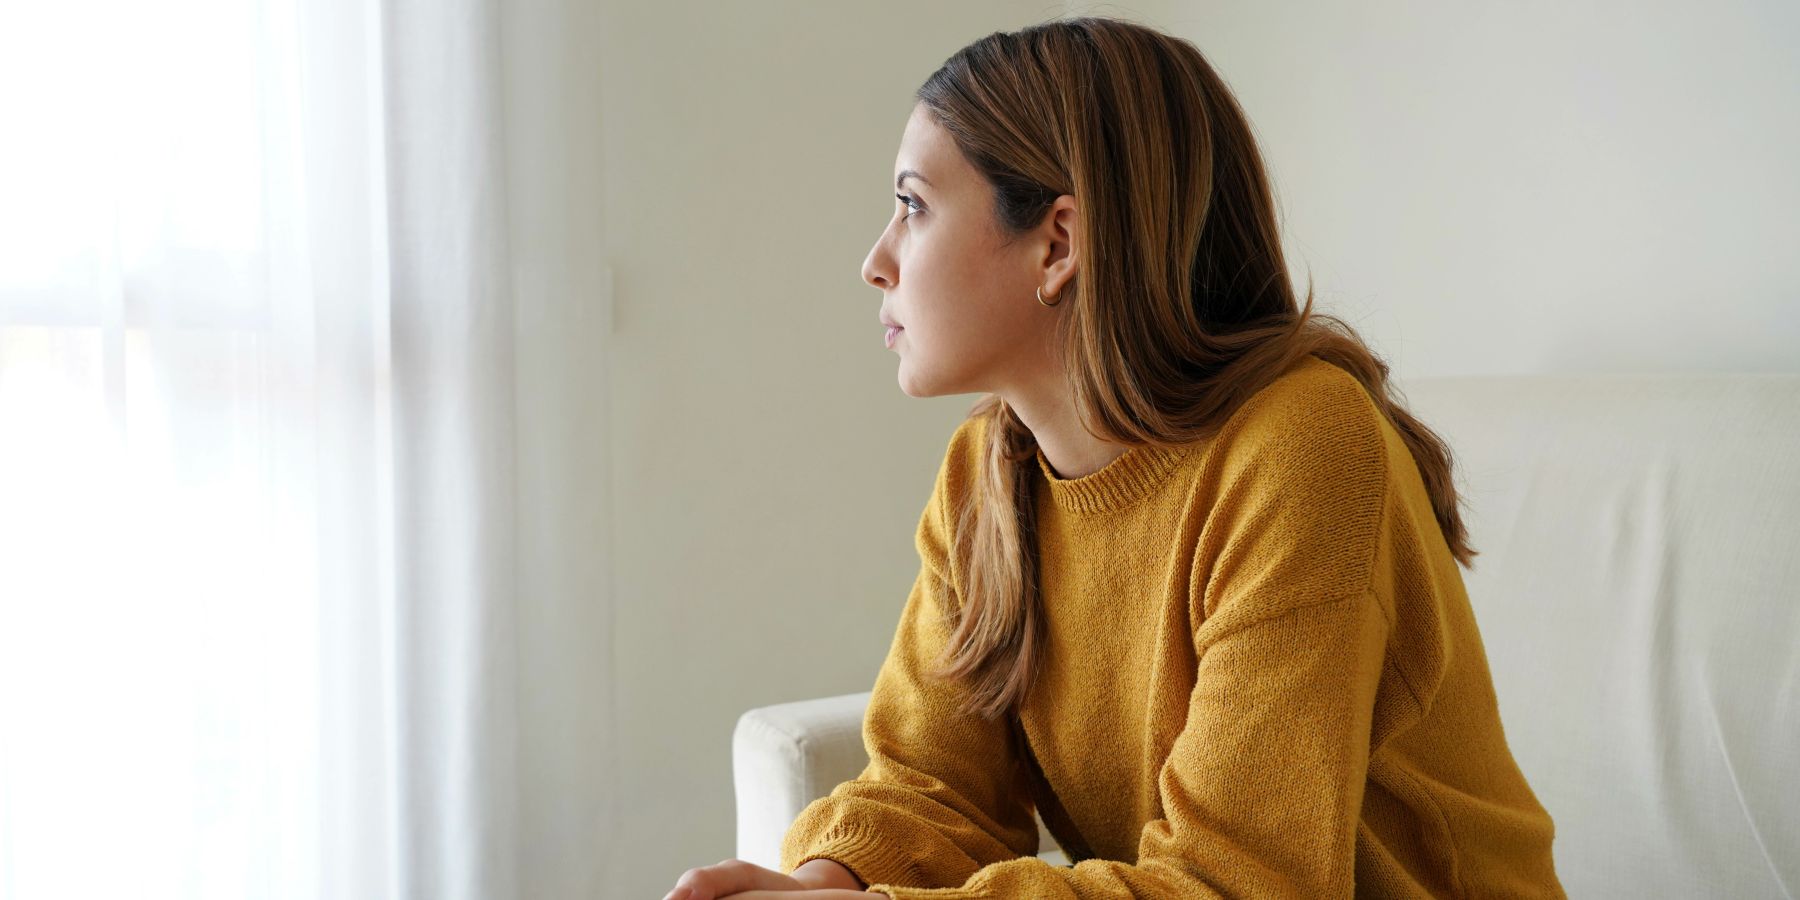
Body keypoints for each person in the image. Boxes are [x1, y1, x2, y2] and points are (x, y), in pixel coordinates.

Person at [665, 14, 1564, 900]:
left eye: (912, 205)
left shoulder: (1299, 449)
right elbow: (933, 786)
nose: (876, 260)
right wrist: (824, 883)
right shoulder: (989, 474)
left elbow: (1240, 885)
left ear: (1057, 243)